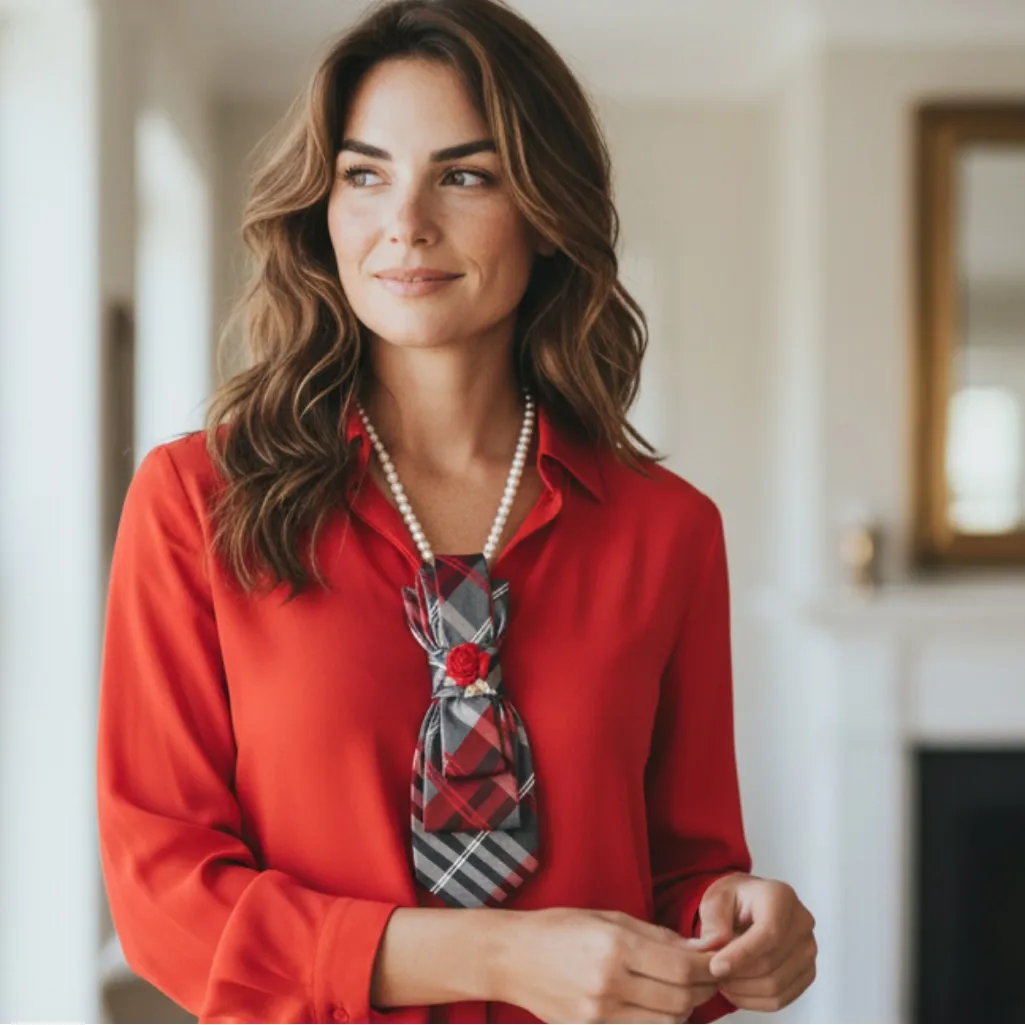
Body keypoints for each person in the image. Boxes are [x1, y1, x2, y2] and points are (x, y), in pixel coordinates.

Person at [96, 0, 816, 1022]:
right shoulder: (195, 504)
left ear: (544, 207)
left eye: (463, 175)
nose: (406, 223)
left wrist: (739, 920)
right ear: (324, 206)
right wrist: (494, 955)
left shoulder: (668, 531)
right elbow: (164, 898)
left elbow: (683, 877)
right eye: (365, 173)